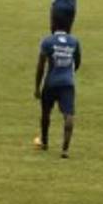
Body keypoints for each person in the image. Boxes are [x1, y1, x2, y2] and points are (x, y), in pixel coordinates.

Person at [33, 27, 82, 158]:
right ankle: (65, 150)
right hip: (68, 83)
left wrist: (37, 87)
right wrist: (69, 72)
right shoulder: (74, 41)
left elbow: (40, 66)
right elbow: (77, 62)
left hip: (51, 82)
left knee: (46, 112)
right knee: (69, 114)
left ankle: (44, 141)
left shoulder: (48, 41)